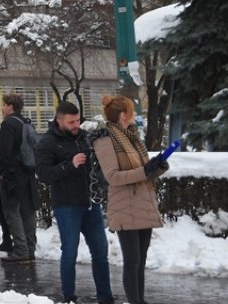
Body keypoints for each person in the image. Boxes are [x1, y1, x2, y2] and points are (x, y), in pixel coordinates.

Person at [35, 101, 114, 304]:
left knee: (100, 251)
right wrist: (69, 165)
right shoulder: (47, 142)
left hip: (90, 202)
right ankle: (69, 297)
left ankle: (105, 297)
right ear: (59, 120)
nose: (76, 125)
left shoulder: (83, 137)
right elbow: (43, 174)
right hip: (67, 204)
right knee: (69, 252)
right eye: (71, 122)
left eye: (78, 120)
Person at [94, 95, 166, 304]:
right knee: (132, 261)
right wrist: (145, 171)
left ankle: (140, 300)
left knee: (140, 261)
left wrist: (156, 167)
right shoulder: (105, 140)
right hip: (125, 206)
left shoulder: (132, 137)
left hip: (142, 204)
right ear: (123, 115)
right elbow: (113, 177)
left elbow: (141, 171)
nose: (135, 116)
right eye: (132, 111)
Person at [0, 93, 38, 263]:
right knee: (28, 213)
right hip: (28, 173)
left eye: (4, 105)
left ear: (10, 106)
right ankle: (30, 249)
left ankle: (20, 251)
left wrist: (0, 169)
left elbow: (6, 154)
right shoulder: (25, 122)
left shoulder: (8, 124)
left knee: (12, 212)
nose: (2, 108)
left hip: (13, 175)